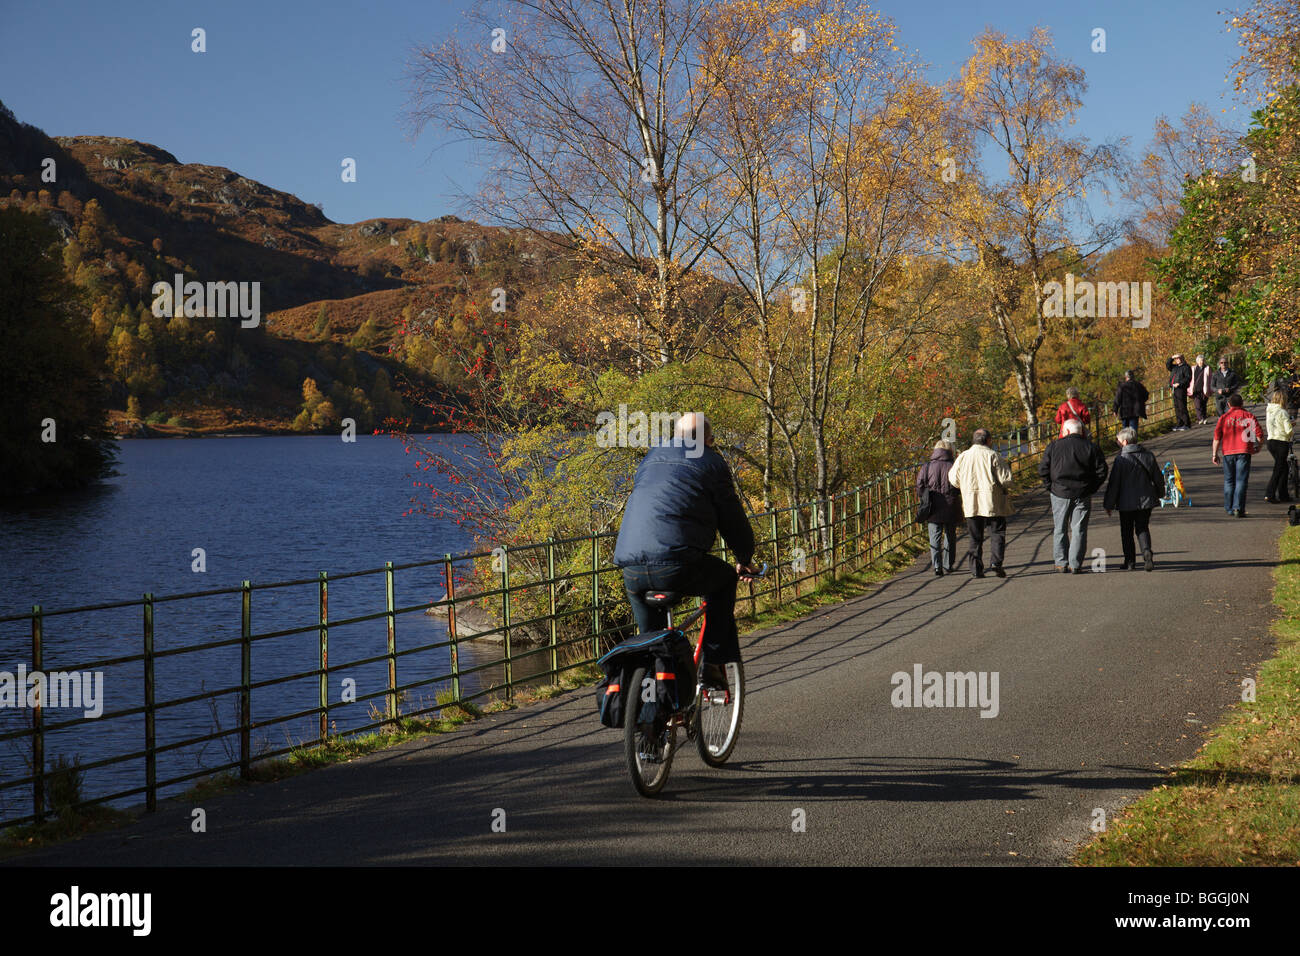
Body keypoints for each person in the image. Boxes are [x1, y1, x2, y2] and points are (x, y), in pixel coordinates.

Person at [613, 413, 760, 685]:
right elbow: (732, 519)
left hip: (631, 566)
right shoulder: (712, 462)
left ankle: (651, 713)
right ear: (709, 440)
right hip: (676, 563)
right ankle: (713, 665)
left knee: (652, 643)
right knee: (725, 579)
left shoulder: (651, 457)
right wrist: (744, 558)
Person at [1037, 418, 1108, 573]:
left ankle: (1061, 562)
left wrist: (1050, 486)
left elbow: (1043, 469)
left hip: (1059, 492)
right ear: (1081, 431)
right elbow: (1102, 471)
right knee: (1079, 529)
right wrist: (1092, 488)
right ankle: (1075, 564)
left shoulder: (1054, 446)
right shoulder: (1091, 447)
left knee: (1060, 528)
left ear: (1067, 431)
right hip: (1082, 492)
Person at [947, 428, 1013, 579]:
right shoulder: (993, 455)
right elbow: (1006, 479)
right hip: (992, 501)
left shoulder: (963, 456)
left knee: (975, 536)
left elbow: (953, 478)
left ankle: (976, 568)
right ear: (988, 440)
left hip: (971, 501)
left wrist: (964, 486)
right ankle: (996, 562)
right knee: (997, 533)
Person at [1103, 427, 1163, 571]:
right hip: (1146, 499)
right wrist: (1160, 493)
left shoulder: (1120, 460)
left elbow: (1114, 484)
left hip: (1126, 502)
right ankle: (1146, 551)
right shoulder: (1148, 455)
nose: (1117, 443)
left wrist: (1109, 504)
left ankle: (1129, 561)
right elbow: (1158, 478)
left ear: (1124, 442)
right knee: (1142, 528)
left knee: (1126, 531)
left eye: (1118, 440)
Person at [1211, 393, 1264, 517]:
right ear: (1242, 404)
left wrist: (1214, 453)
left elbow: (1217, 438)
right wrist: (1258, 447)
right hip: (1244, 451)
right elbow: (1259, 435)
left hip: (1228, 451)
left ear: (1229, 404)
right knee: (1241, 481)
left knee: (1229, 481)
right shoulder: (1249, 416)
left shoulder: (1224, 417)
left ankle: (1229, 507)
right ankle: (1238, 508)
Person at [917, 439, 961, 576]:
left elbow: (920, 484)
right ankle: (948, 564)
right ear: (950, 450)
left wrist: (923, 497)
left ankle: (937, 566)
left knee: (934, 536)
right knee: (950, 535)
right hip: (951, 504)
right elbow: (960, 483)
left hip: (933, 505)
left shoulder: (927, 466)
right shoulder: (954, 465)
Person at [1264, 389, 1294, 503]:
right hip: (1281, 442)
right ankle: (1269, 493)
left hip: (1271, 441)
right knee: (1278, 469)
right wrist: (1291, 429)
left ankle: (1283, 494)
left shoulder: (1269, 411)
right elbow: (1288, 430)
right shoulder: (1283, 412)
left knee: (1284, 468)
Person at [1166, 353, 1192, 430]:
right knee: (1177, 407)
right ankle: (1179, 423)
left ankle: (1186, 423)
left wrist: (1180, 383)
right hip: (1174, 389)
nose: (1177, 360)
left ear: (1182, 359)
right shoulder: (1175, 367)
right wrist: (1171, 357)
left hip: (1181, 389)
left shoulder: (1186, 367)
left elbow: (1188, 378)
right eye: (1176, 359)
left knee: (1182, 406)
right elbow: (1168, 365)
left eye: (1179, 358)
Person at [1189, 354, 1213, 424]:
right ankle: (1200, 418)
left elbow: (1210, 378)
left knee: (1204, 404)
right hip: (1196, 390)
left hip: (1205, 389)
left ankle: (1204, 418)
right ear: (1197, 361)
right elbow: (1191, 379)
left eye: (1202, 360)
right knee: (1197, 404)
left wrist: (1210, 388)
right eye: (1200, 361)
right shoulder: (1193, 368)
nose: (1201, 362)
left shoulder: (1207, 368)